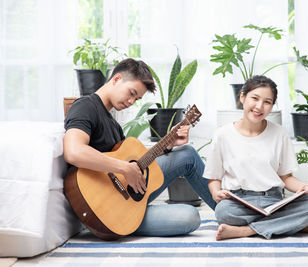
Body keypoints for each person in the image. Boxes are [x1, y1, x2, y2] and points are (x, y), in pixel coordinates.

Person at [64, 58, 216, 237]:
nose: (131, 101)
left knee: (187, 153)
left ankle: (229, 213)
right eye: (131, 93)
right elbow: (74, 152)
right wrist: (124, 167)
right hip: (103, 211)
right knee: (190, 216)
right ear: (116, 79)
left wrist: (167, 145)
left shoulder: (114, 125)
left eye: (136, 99)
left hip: (126, 203)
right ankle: (232, 213)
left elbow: (135, 169)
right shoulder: (85, 106)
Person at [203, 75, 308, 241]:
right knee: (223, 212)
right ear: (242, 97)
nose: (259, 106)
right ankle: (292, 225)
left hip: (274, 201)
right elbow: (214, 178)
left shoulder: (279, 133)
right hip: (240, 203)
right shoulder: (222, 135)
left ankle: (246, 231)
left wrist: (302, 187)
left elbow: (286, 178)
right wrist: (216, 192)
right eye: (255, 98)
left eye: (267, 102)